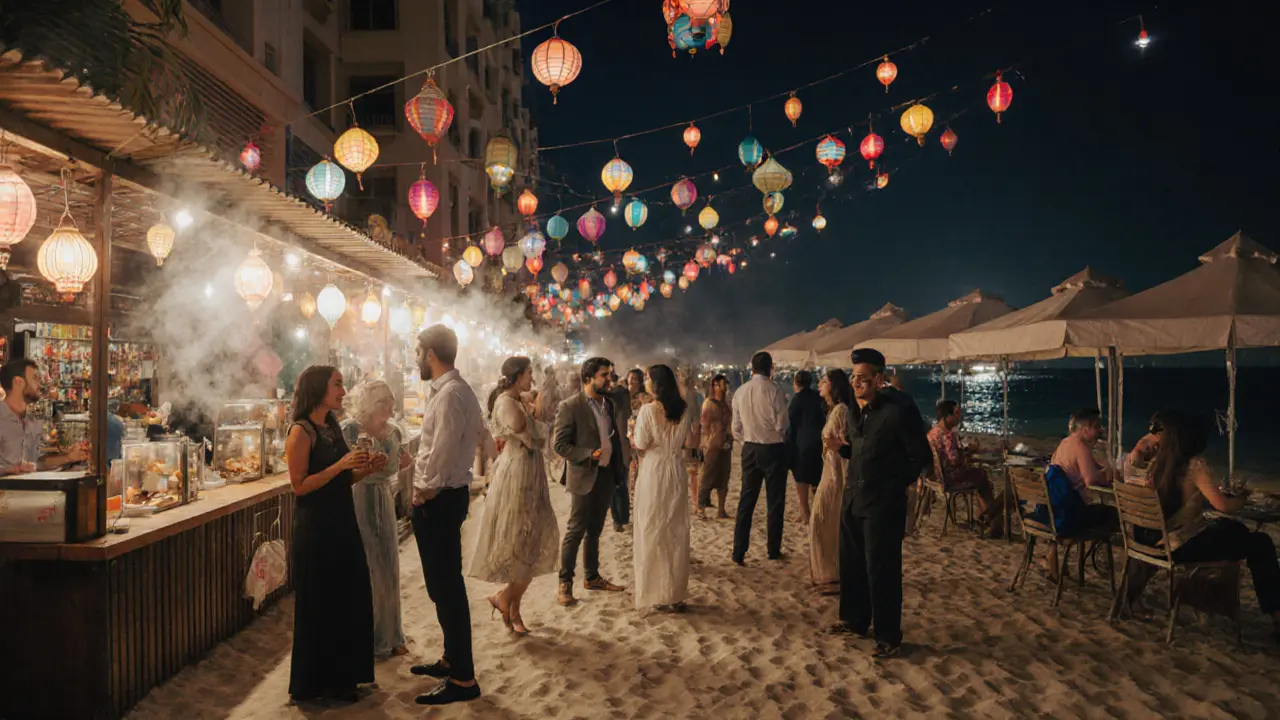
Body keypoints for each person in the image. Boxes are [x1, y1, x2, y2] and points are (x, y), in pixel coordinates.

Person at [1127, 410, 1280, 641]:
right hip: (1181, 546)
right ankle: (1277, 617)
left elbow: (1136, 463)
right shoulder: (1195, 465)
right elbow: (1223, 506)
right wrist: (1243, 499)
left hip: (1159, 541)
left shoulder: (1159, 464)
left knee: (1235, 531)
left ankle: (1206, 593)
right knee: (1261, 543)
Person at [284, 365, 379, 703]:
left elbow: (340, 480)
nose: (343, 390)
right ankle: (316, 684)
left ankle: (345, 677)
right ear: (318, 389)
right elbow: (300, 486)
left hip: (342, 520)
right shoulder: (300, 431)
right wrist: (341, 466)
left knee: (348, 596)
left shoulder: (332, 426)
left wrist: (362, 470)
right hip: (316, 527)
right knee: (320, 602)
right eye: (337, 384)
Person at [409, 325, 492, 706]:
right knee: (443, 587)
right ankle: (452, 659)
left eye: (417, 351)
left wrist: (421, 493)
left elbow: (439, 455)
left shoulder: (450, 396)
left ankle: (463, 679)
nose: (415, 358)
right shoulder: (457, 391)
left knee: (447, 589)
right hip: (448, 496)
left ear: (430, 355)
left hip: (440, 499)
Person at [829, 348, 930, 659]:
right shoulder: (859, 409)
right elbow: (863, 450)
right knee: (853, 564)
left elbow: (921, 457)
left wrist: (893, 484)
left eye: (862, 378)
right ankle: (855, 620)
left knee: (882, 570)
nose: (856, 383)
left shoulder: (900, 409)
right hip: (854, 498)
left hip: (882, 504)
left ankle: (888, 636)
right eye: (853, 377)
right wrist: (843, 450)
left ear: (879, 378)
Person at [469, 357, 561, 636]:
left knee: (532, 543)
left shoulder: (519, 400)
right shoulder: (507, 403)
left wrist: (535, 408)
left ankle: (507, 601)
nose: (532, 378)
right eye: (529, 373)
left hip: (530, 472)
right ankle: (509, 603)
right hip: (517, 474)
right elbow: (532, 436)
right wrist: (538, 412)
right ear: (517, 375)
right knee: (522, 544)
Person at [340, 380, 409, 659]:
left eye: (391, 401)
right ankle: (365, 637)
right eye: (383, 402)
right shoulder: (350, 429)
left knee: (389, 567)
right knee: (366, 567)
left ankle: (392, 635)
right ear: (368, 403)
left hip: (383, 497)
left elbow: (405, 462)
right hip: (358, 497)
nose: (390, 407)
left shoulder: (394, 432)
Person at [553, 357, 627, 606]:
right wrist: (588, 454)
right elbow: (560, 445)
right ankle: (565, 583)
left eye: (609, 374)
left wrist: (619, 467)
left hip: (606, 474)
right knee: (575, 530)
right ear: (588, 378)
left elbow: (613, 438)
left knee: (595, 530)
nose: (609, 379)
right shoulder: (570, 406)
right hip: (584, 475)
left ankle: (592, 576)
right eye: (604, 375)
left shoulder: (609, 404)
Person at [632, 364, 699, 612]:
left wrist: (632, 437)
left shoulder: (647, 410)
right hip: (676, 470)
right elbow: (688, 442)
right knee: (675, 529)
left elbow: (641, 442)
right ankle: (675, 593)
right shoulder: (682, 410)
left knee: (652, 528)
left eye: (648, 378)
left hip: (654, 471)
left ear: (655, 383)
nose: (645, 382)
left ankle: (656, 592)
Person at [1043, 407, 1117, 579]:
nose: (1100, 431)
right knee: (1113, 515)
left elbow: (1089, 469)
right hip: (1070, 517)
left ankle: (1057, 558)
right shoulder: (1081, 447)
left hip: (1053, 513)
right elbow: (1090, 480)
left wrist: (1104, 471)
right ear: (1086, 429)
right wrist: (1107, 478)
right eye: (1097, 427)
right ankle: (1097, 560)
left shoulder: (1065, 443)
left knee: (1100, 510)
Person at [731, 352, 790, 565]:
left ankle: (739, 551)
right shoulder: (775, 390)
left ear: (752, 368)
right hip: (773, 449)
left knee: (747, 500)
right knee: (775, 501)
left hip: (750, 448)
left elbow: (735, 428)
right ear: (770, 368)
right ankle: (773, 549)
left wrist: (746, 440)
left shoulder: (740, 391)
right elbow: (782, 425)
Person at [927, 400, 1003, 537]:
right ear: (946, 416)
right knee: (983, 477)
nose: (958, 417)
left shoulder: (932, 433)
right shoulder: (947, 435)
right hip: (952, 478)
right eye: (956, 414)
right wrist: (967, 453)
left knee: (980, 478)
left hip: (939, 477)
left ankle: (986, 518)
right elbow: (954, 459)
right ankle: (993, 522)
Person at [0, 360, 88, 475]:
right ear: (18, 382)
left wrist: (69, 457)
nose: (40, 384)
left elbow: (38, 462)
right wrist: (10, 470)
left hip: (34, 490)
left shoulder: (33, 418)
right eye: (35, 378)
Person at [811, 370, 852, 595]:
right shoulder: (834, 411)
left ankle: (831, 573)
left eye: (824, 381)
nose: (819, 384)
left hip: (834, 475)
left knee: (823, 520)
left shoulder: (840, 411)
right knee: (823, 521)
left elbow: (843, 445)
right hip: (828, 472)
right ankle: (828, 571)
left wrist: (837, 479)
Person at [787, 370, 826, 526]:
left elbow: (791, 422)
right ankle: (817, 511)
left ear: (796, 383)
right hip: (819, 440)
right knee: (816, 477)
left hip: (802, 441)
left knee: (801, 478)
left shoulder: (797, 399)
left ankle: (805, 512)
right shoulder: (818, 397)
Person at [698, 374, 733, 520]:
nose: (726, 387)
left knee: (724, 478)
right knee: (707, 477)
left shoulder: (726, 403)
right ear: (715, 385)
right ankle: (700, 508)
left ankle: (721, 510)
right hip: (712, 445)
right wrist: (705, 444)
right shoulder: (709, 403)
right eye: (723, 384)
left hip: (726, 445)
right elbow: (704, 426)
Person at [607, 370, 633, 532]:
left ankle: (620, 518)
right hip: (615, 450)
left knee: (619, 485)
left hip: (621, 450)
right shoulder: (613, 412)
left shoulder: (623, 413)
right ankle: (619, 518)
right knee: (618, 486)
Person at [626, 368, 652, 508]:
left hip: (639, 434)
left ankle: (635, 495)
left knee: (638, 466)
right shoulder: (623, 394)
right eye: (632, 378)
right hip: (625, 434)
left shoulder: (645, 397)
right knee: (628, 467)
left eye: (637, 379)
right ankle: (629, 496)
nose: (634, 381)